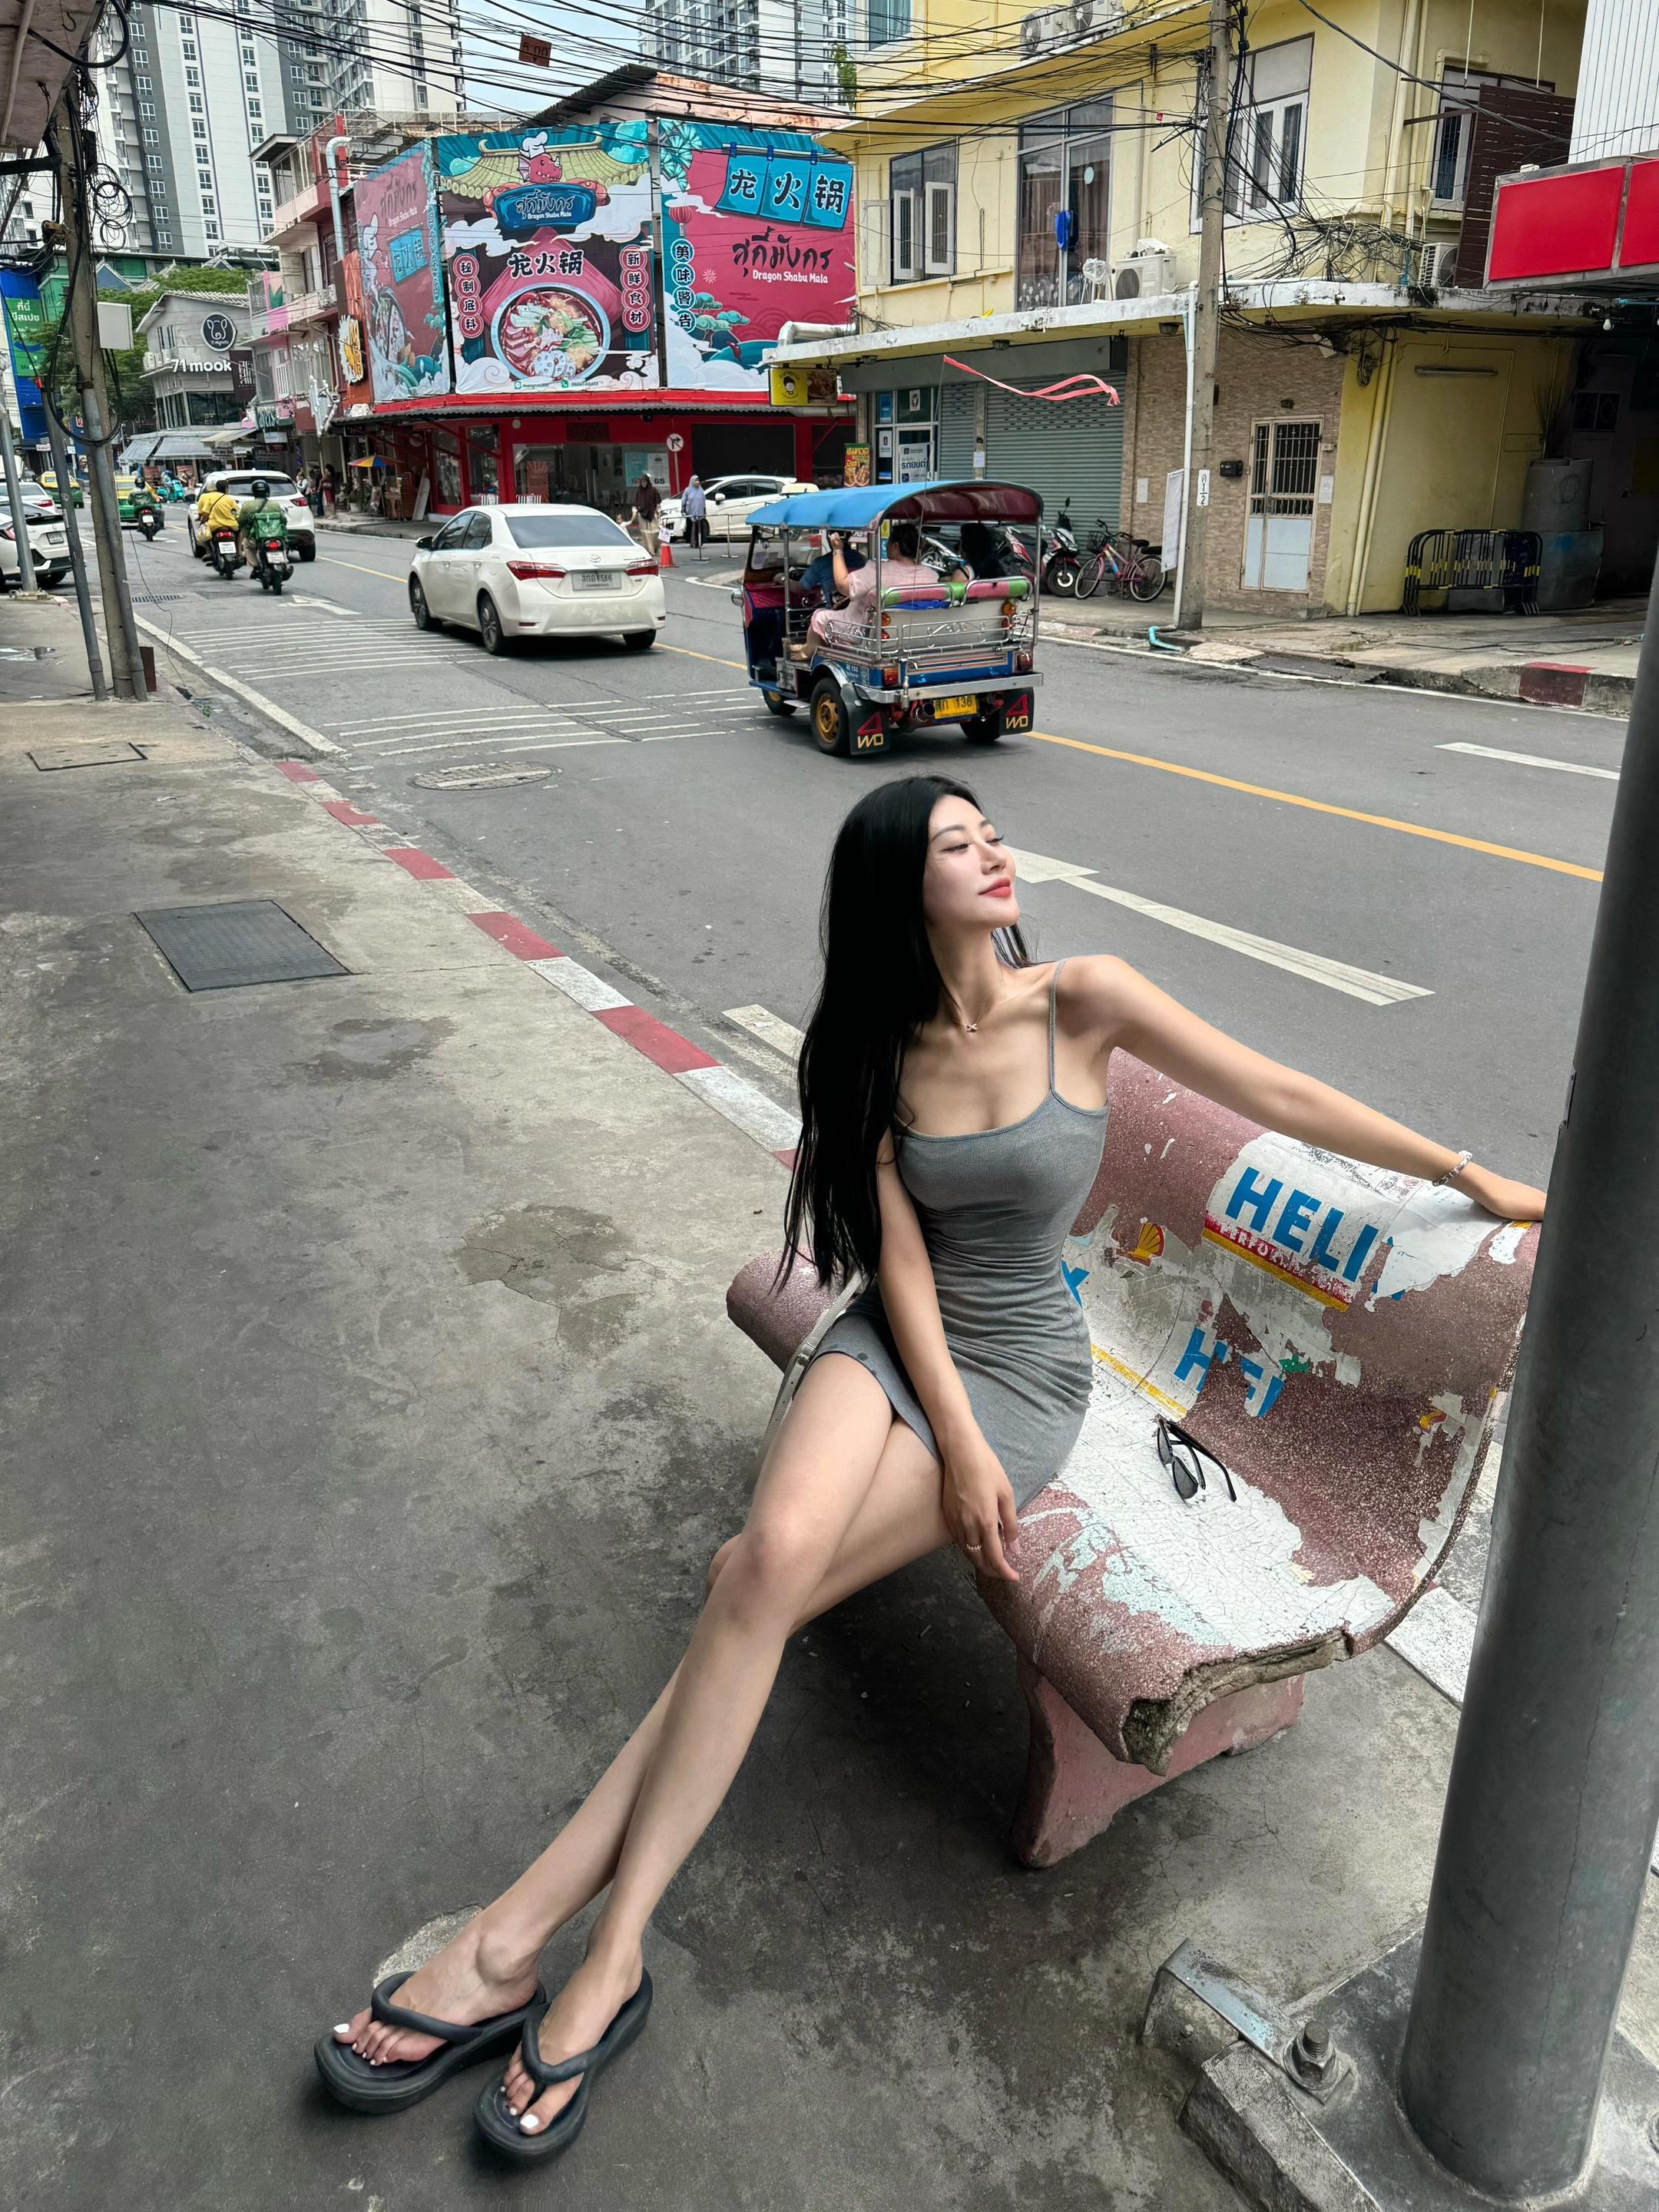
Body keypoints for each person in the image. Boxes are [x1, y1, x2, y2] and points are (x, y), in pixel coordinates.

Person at [315, 774, 1547, 2162]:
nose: (993, 853)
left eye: (991, 834)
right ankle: (544, 1949)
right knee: (765, 1573)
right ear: (903, 888)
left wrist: (1470, 1176)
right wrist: (946, 1440)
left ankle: (553, 1947)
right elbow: (899, 1262)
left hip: (1025, 1375)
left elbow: (1279, 1091)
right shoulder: (875, 1048)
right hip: (897, 1346)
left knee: (748, 1588)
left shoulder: (1081, 1001)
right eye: (958, 845)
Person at [808, 521, 935, 644]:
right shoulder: (930, 574)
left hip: (869, 631)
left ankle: (809, 651)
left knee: (819, 616)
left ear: (895, 546)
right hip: (920, 631)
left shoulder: (878, 570)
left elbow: (843, 586)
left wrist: (838, 551)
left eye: (889, 542)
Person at [236, 478, 289, 572]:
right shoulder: (275, 505)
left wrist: (246, 531)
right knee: (282, 544)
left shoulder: (247, 505)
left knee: (247, 545)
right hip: (276, 535)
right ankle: (284, 562)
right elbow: (283, 520)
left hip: (257, 538)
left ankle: (256, 566)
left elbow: (242, 521)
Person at [628, 472, 661, 560]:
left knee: (655, 532)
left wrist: (659, 512)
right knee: (646, 534)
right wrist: (634, 513)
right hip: (642, 515)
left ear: (648, 482)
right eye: (642, 482)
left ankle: (655, 548)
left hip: (652, 514)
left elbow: (658, 503)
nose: (643, 484)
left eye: (645, 482)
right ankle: (650, 550)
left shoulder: (653, 490)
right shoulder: (639, 491)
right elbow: (635, 503)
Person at [680, 473, 707, 556]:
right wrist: (683, 509)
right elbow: (684, 501)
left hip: (700, 512)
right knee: (691, 528)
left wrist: (704, 511)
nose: (697, 482)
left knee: (700, 528)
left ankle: (699, 543)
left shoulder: (701, 491)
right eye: (695, 480)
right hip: (690, 512)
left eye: (698, 480)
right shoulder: (688, 490)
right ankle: (692, 542)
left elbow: (704, 501)